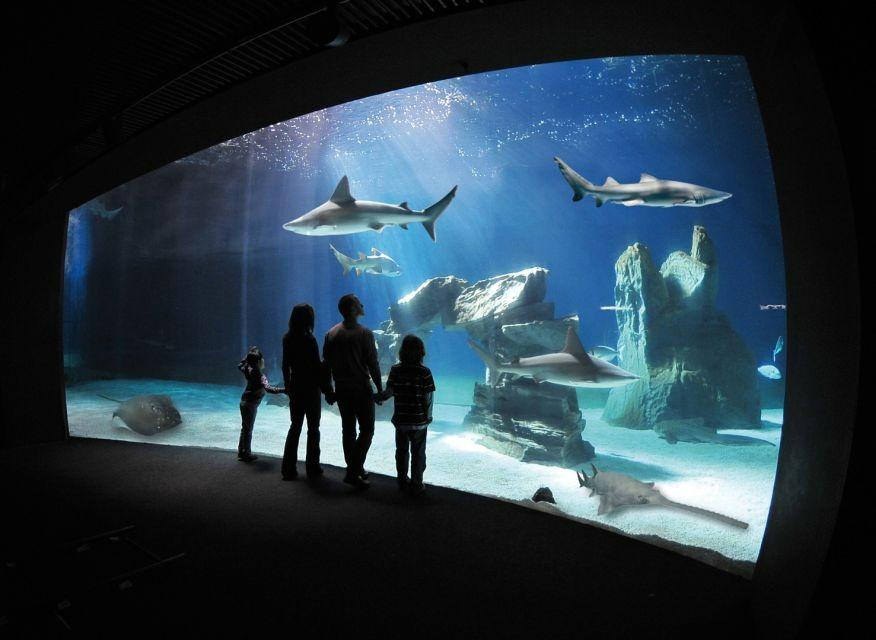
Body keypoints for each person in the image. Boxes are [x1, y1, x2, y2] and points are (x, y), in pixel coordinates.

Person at [322, 294, 382, 488]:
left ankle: (356, 468)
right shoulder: (365, 333)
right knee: (367, 430)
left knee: (348, 430)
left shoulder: (331, 333)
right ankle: (353, 470)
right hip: (361, 389)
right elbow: (373, 364)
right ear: (352, 309)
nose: (362, 304)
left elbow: (326, 367)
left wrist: (329, 391)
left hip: (341, 390)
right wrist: (380, 389)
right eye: (358, 303)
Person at [377, 335, 435, 496]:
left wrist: (379, 396)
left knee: (401, 451)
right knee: (418, 453)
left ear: (402, 351)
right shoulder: (425, 372)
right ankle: (417, 484)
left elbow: (389, 392)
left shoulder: (396, 369)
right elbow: (428, 398)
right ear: (421, 352)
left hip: (401, 420)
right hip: (419, 422)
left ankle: (402, 481)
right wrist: (428, 417)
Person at [280, 303, 332, 480]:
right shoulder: (309, 340)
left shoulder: (287, 338)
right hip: (310, 388)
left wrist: (288, 386)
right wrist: (326, 387)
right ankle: (312, 466)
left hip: (295, 385)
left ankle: (288, 468)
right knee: (313, 428)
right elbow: (316, 367)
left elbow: (285, 365)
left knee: (295, 426)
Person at [237, 346, 285, 462]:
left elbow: (239, 366)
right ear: (259, 362)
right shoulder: (261, 376)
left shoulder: (249, 370)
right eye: (262, 359)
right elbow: (269, 389)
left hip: (243, 402)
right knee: (248, 429)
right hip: (251, 405)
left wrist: (246, 359)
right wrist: (285, 389)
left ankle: (241, 451)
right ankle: (246, 453)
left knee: (245, 428)